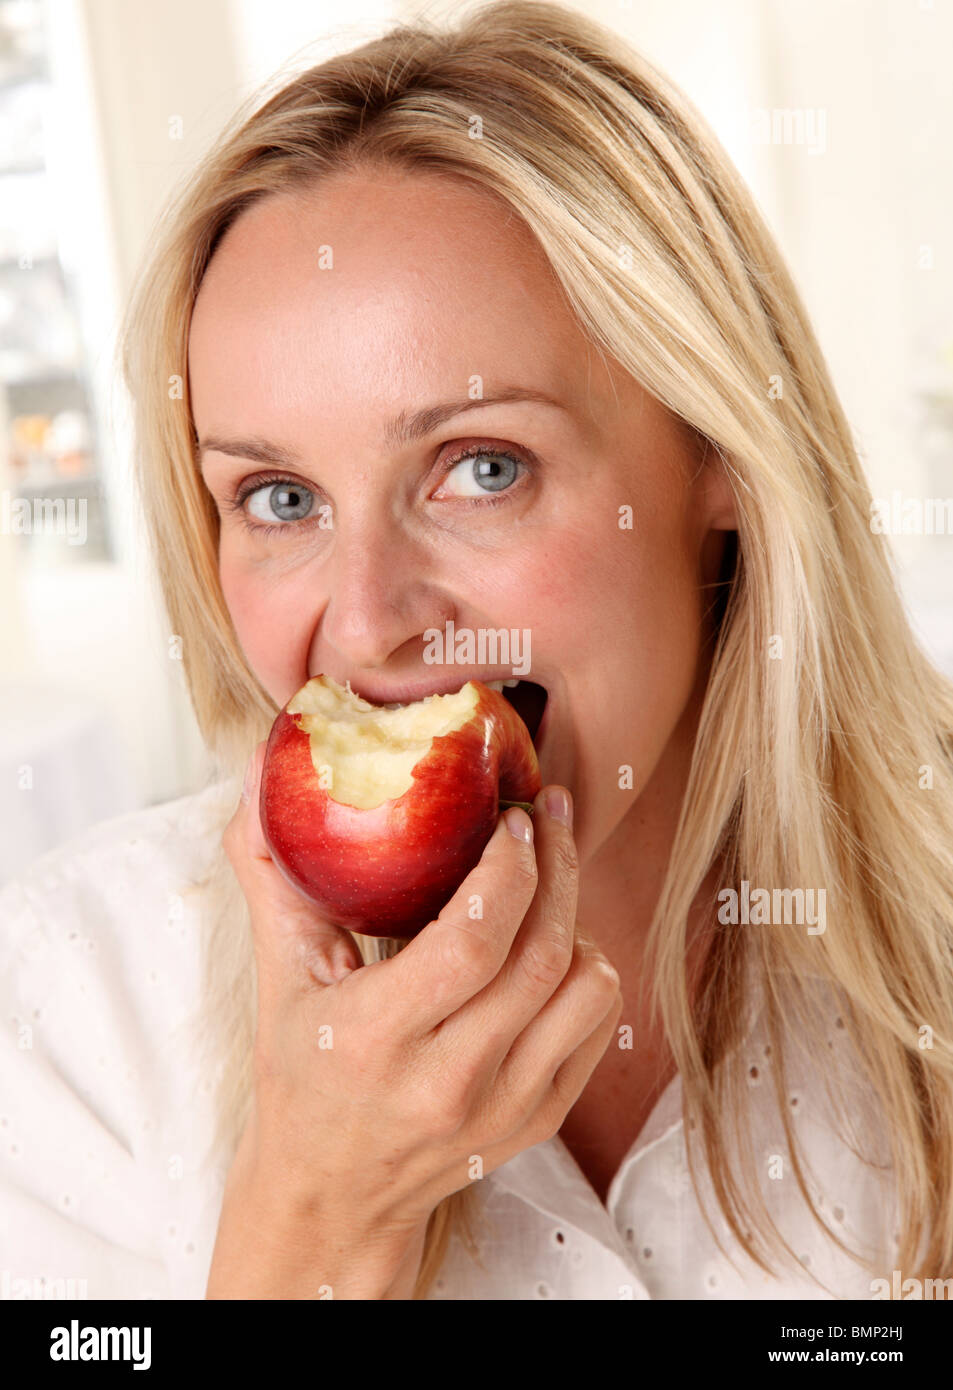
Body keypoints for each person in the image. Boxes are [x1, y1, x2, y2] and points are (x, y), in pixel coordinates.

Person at [2, 0, 952, 1302]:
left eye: (480, 468)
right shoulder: (71, 1006)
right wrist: (318, 1213)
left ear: (717, 459)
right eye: (279, 498)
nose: (367, 618)